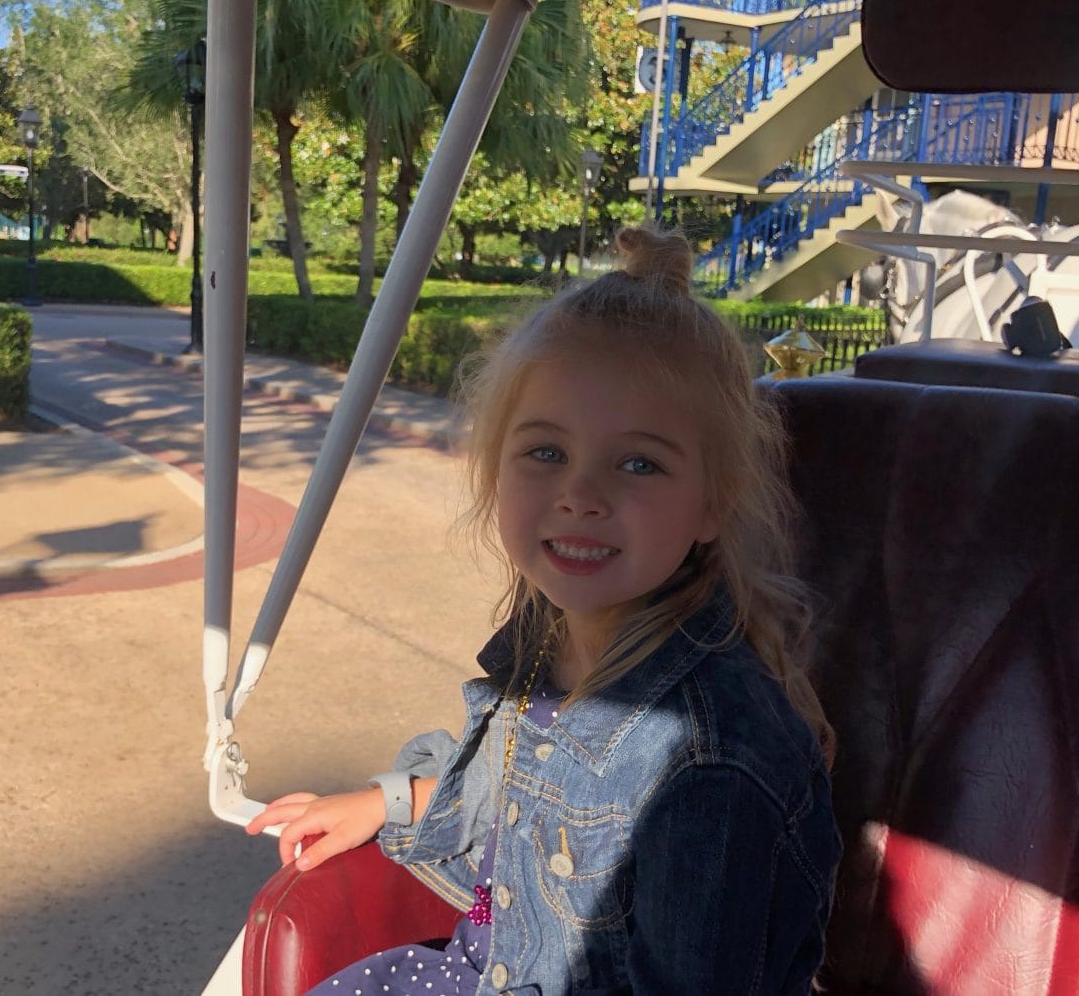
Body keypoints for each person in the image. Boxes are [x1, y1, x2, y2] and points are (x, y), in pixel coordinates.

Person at [246, 226, 842, 994]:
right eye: (545, 452)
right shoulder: (548, 641)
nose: (580, 494)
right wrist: (388, 802)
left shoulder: (708, 766)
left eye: (638, 463)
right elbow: (510, 797)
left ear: (714, 502)